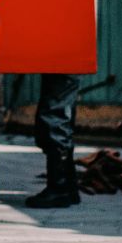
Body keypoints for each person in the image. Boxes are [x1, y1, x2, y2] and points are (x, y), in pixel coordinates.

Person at [25, 74, 80, 208]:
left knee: (54, 115)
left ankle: (59, 188)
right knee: (58, 112)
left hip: (63, 62)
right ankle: (68, 187)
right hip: (67, 63)